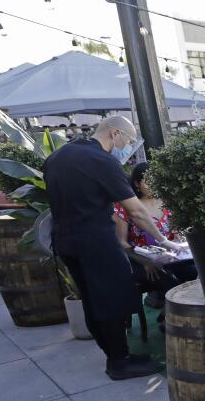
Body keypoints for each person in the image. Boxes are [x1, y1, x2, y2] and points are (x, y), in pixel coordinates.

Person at [43, 116, 181, 380]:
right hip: (97, 242)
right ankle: (119, 361)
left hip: (65, 241)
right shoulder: (102, 161)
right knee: (112, 300)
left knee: (92, 301)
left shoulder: (59, 157)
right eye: (127, 140)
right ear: (114, 133)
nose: (126, 146)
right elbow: (136, 211)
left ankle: (116, 356)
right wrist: (163, 240)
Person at [114, 162, 198, 312]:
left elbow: (176, 234)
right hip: (141, 261)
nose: (152, 184)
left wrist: (179, 238)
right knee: (171, 283)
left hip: (172, 258)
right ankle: (170, 322)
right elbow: (121, 243)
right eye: (147, 181)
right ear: (136, 184)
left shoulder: (168, 202)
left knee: (195, 274)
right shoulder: (125, 207)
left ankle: (186, 318)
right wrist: (145, 261)